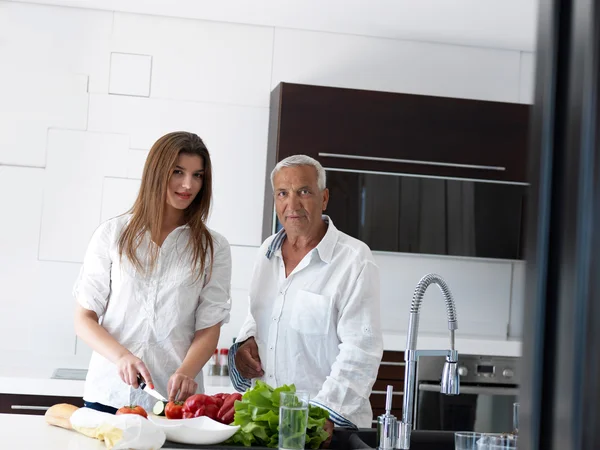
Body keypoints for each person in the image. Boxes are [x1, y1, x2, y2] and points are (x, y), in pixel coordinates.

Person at [74, 131, 232, 413]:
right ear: (157, 172)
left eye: (198, 175)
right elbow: (84, 318)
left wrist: (186, 371)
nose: (188, 185)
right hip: (109, 395)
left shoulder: (213, 247)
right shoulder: (112, 234)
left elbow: (209, 327)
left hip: (176, 404)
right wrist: (122, 357)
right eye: (178, 172)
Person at [229, 155, 383, 432]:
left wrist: (318, 418)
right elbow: (258, 316)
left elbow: (361, 351)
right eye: (283, 194)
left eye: (304, 192)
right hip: (268, 424)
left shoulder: (354, 259)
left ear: (323, 198)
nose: (292, 204)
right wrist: (244, 344)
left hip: (326, 430)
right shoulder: (266, 253)